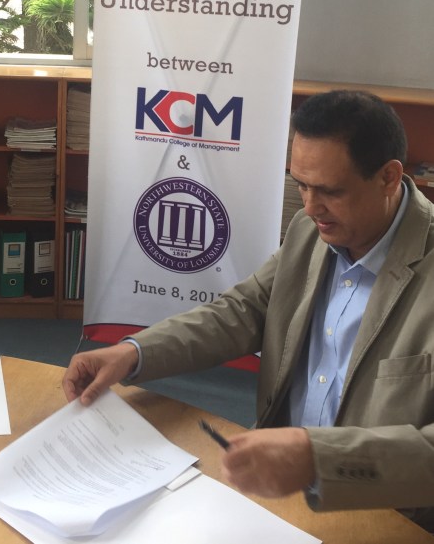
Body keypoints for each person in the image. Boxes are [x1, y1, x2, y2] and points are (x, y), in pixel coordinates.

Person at [63, 89, 434, 532]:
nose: (310, 207)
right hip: (277, 493)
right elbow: (240, 311)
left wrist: (318, 459)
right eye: (301, 184)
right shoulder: (311, 230)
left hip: (385, 516)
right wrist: (133, 352)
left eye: (330, 191)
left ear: (389, 178)